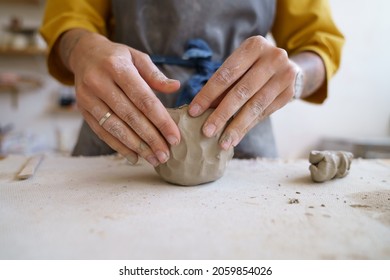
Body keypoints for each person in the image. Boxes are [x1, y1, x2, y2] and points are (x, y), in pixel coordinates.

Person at [40, 0, 344, 167]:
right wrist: (81, 49)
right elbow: (69, 20)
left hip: (241, 138)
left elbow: (319, 44)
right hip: (119, 128)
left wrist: (296, 76)